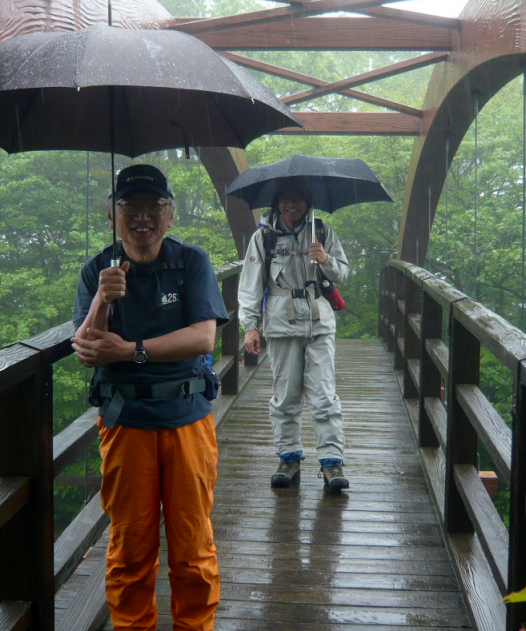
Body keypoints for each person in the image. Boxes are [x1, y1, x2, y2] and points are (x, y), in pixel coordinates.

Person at [72, 163, 229, 631]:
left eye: (153, 206)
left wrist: (131, 350)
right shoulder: (96, 270)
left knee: (192, 545)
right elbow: (84, 351)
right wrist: (103, 299)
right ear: (111, 214)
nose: (142, 217)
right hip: (126, 422)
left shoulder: (191, 262)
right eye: (130, 206)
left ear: (170, 215)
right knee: (130, 546)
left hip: (187, 417)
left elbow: (204, 339)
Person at [237, 187, 351, 492]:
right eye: (285, 199)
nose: (292, 205)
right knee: (286, 394)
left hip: (319, 321)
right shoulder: (263, 237)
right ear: (277, 202)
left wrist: (325, 259)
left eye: (298, 199)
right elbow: (250, 284)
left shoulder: (323, 231)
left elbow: (343, 273)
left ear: (308, 202)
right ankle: (289, 457)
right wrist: (250, 326)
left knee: (324, 394)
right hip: (280, 321)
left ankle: (331, 462)